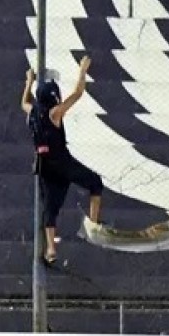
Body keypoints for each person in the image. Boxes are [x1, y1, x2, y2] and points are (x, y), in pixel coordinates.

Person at [22, 56, 103, 264]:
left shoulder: (32, 113)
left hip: (45, 166)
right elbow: (77, 94)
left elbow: (24, 102)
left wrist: (28, 82)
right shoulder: (54, 113)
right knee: (95, 183)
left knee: (51, 209)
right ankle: (93, 225)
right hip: (62, 163)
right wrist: (83, 70)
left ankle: (51, 249)